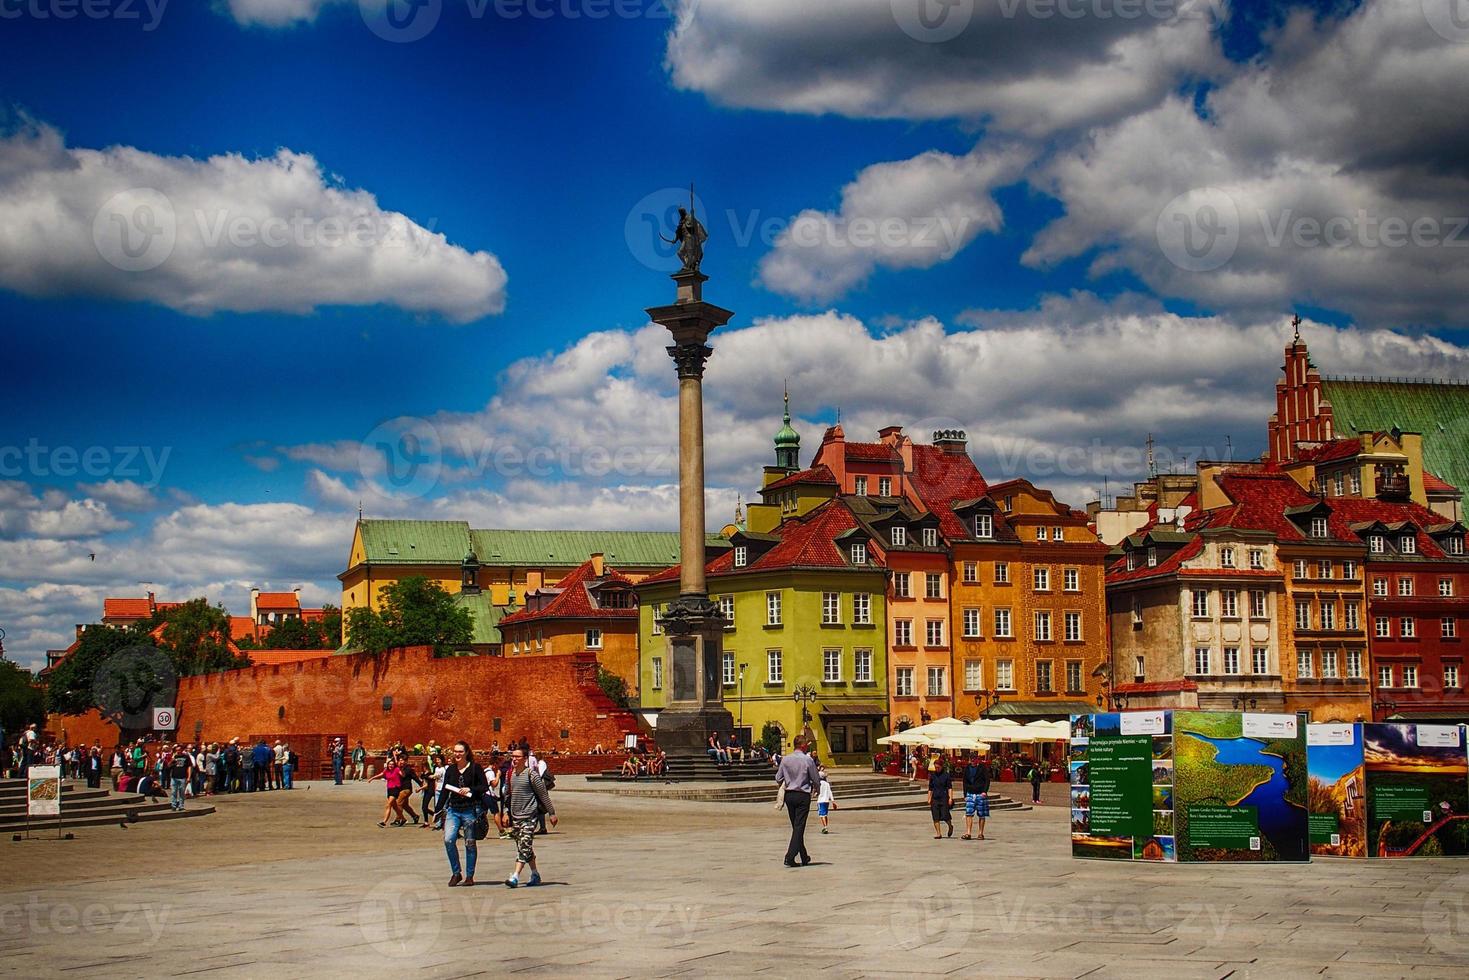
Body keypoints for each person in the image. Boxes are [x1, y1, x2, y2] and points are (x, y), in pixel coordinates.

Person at [503, 746, 557, 888]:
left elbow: (543, 794)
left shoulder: (531, 775)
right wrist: (504, 812)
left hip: (529, 816)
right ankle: (535, 874)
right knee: (524, 847)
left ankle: (515, 876)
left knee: (524, 844)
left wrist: (551, 813)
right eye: (512, 756)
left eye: (517, 757)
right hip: (516, 817)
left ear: (525, 759)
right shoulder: (510, 775)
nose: (514, 759)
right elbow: (507, 795)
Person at [440, 741, 489, 887]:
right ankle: (456, 872)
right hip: (453, 810)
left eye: (460, 751)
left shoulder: (475, 768)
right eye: (455, 751)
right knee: (449, 839)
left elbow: (484, 787)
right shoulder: (450, 770)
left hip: (470, 809)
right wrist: (437, 809)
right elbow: (444, 790)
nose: (457, 754)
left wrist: (470, 790)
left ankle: (469, 875)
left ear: (467, 752)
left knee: (470, 843)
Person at [774, 736, 820, 867]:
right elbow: (815, 778)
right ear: (803, 746)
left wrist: (786, 782)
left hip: (789, 795)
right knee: (799, 827)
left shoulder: (786, 759)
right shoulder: (808, 760)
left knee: (796, 826)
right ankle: (789, 856)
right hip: (802, 795)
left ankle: (804, 856)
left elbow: (778, 777)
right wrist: (818, 790)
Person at [962, 754, 991, 840]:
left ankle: (980, 833)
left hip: (980, 793)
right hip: (970, 793)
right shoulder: (967, 768)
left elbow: (987, 780)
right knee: (968, 813)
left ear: (977, 759)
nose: (973, 760)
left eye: (974, 759)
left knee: (981, 814)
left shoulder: (982, 768)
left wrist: (984, 791)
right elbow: (964, 781)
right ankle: (968, 833)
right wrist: (965, 794)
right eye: (971, 759)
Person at [369, 756, 404, 826]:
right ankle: (403, 818)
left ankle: (384, 822)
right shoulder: (386, 770)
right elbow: (381, 774)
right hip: (389, 789)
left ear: (394, 765)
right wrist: (372, 778)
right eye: (389, 764)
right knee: (395, 807)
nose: (391, 765)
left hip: (396, 789)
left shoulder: (397, 769)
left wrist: (401, 768)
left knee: (388, 805)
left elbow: (402, 774)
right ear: (387, 765)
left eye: (392, 764)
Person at [928, 756, 954, 839]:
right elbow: (930, 788)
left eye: (938, 767)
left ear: (942, 767)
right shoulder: (932, 776)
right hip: (935, 798)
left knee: (945, 815)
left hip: (943, 797)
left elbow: (949, 787)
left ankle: (950, 826)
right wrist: (929, 798)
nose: (937, 769)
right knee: (935, 816)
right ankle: (938, 833)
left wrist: (950, 798)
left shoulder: (946, 775)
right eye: (935, 767)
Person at [167, 746, 192, 812]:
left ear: (182, 750)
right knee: (173, 792)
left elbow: (189, 767)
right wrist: (172, 760)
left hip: (183, 777)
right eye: (177, 750)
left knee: (182, 792)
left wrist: (189, 777)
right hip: (174, 777)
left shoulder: (186, 757)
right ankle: (173, 805)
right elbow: (168, 766)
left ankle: (181, 806)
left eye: (179, 750)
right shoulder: (174, 757)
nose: (178, 751)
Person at [816, 767, 835, 834]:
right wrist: (833, 801)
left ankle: (825, 827)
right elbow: (830, 792)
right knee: (825, 814)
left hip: (821, 801)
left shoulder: (818, 784)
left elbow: (817, 792)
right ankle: (825, 826)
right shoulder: (827, 784)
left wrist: (815, 794)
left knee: (822, 815)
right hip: (827, 801)